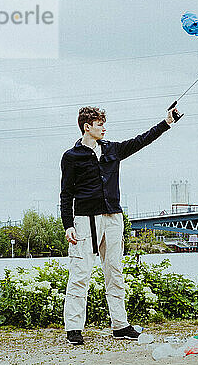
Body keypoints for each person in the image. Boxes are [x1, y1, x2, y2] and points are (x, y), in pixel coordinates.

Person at [60, 106, 177, 345]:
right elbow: (66, 193)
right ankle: (73, 328)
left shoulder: (112, 149)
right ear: (87, 127)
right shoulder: (71, 157)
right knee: (80, 273)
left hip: (113, 218)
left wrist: (166, 122)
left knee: (115, 271)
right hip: (85, 220)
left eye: (104, 123)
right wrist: (68, 225)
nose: (104, 127)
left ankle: (120, 325)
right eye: (99, 123)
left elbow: (141, 140)